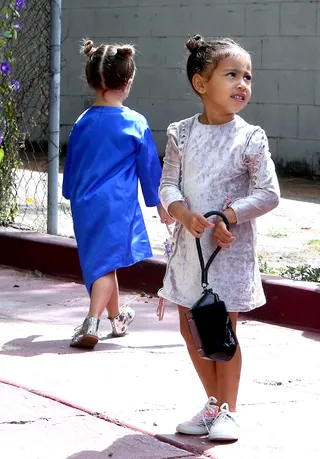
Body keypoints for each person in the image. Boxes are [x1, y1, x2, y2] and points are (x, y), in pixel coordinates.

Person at [158, 34, 280, 441]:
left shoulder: (250, 137)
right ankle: (213, 405)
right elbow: (168, 185)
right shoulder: (182, 133)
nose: (243, 83)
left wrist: (229, 215)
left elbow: (268, 193)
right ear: (201, 83)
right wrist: (181, 213)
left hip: (227, 252)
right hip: (189, 249)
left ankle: (230, 409)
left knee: (221, 329)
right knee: (189, 327)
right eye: (232, 75)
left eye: (248, 76)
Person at [62, 39, 172, 349]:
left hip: (85, 203)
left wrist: (69, 192)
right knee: (104, 264)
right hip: (117, 205)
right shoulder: (135, 123)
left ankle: (116, 320)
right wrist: (159, 204)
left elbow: (71, 164)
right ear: (128, 82)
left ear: (91, 81)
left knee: (102, 262)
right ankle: (92, 321)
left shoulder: (82, 122)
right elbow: (149, 169)